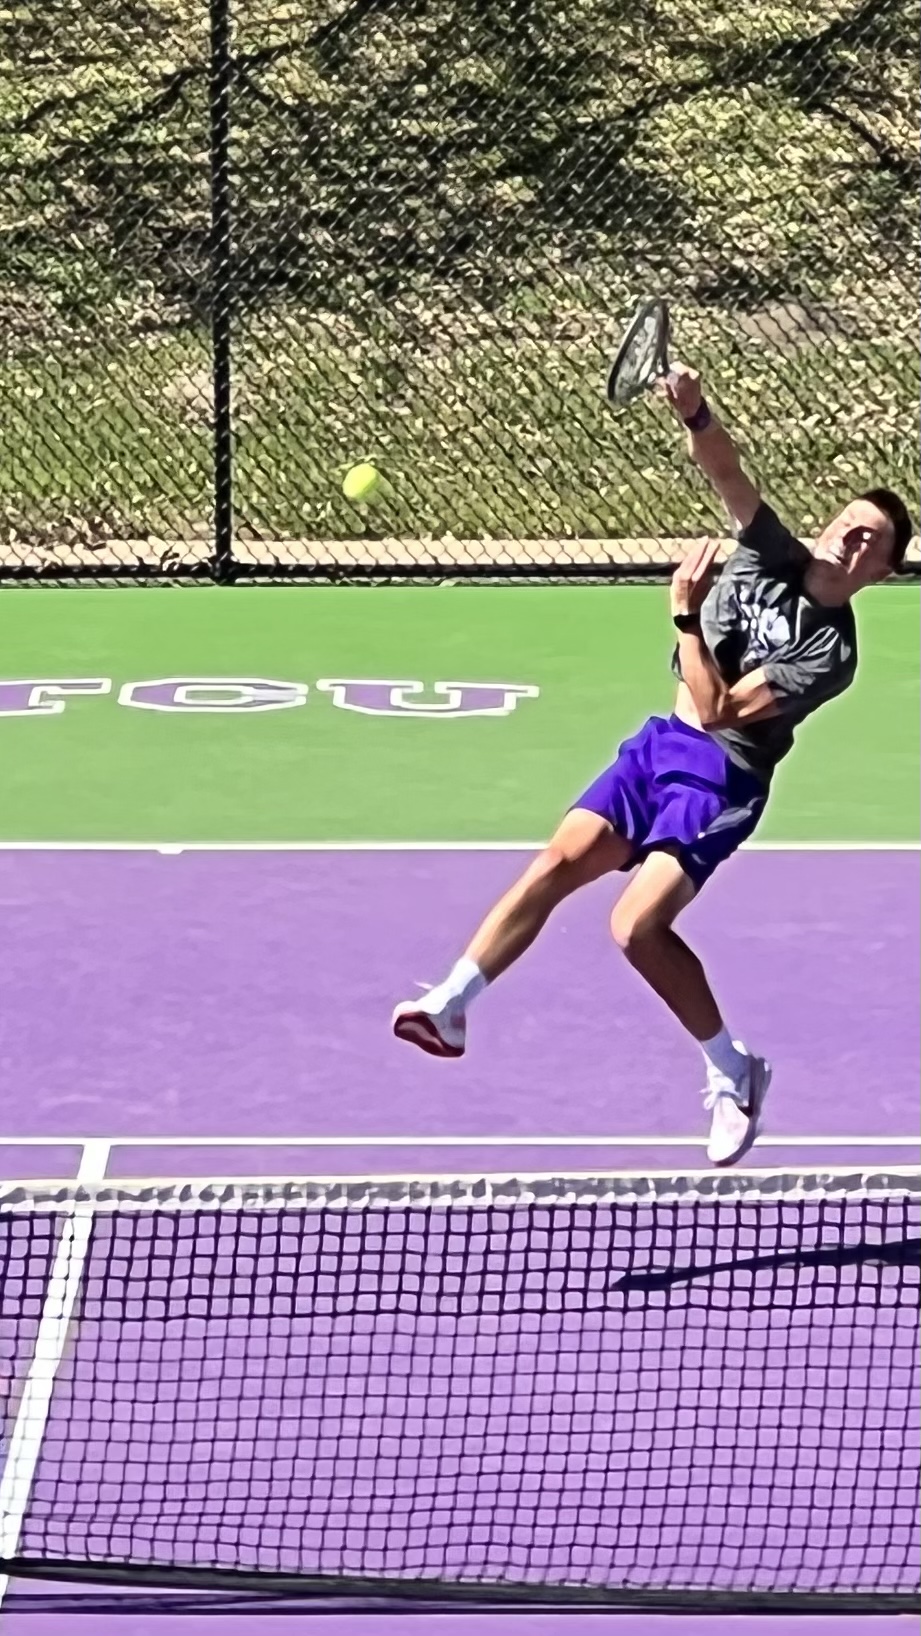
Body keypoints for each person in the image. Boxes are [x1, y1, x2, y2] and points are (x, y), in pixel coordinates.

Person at [391, 362, 913, 1167]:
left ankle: (731, 1071)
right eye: (846, 520)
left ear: (880, 571)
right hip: (657, 748)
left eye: (868, 539)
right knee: (556, 861)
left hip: (722, 777)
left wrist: (683, 616)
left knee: (635, 927)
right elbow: (727, 471)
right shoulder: (769, 549)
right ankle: (453, 1003)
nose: (848, 535)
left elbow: (719, 711)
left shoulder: (829, 653)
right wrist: (696, 410)